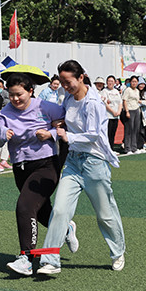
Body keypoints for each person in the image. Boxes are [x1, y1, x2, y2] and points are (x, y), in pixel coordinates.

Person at [37, 60, 125, 275]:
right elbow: (65, 117)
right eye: (62, 82)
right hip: (73, 161)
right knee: (59, 210)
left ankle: (118, 252)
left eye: (68, 82)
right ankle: (50, 259)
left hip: (95, 163)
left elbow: (93, 134)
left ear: (81, 77)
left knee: (105, 214)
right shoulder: (68, 98)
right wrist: (58, 124)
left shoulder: (93, 102)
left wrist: (68, 136)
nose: (65, 86)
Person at [0, 72, 69, 276]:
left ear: (30, 91)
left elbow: (67, 124)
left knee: (24, 207)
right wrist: (2, 135)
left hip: (46, 165)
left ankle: (26, 258)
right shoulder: (5, 113)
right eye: (11, 95)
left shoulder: (46, 107)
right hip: (20, 167)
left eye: (19, 94)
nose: (15, 99)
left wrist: (50, 133)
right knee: (41, 211)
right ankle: (66, 229)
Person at [121, 75, 141, 154]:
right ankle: (127, 148)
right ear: (130, 82)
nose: (134, 83)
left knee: (135, 129)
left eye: (135, 82)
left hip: (136, 110)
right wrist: (127, 111)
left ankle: (134, 147)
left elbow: (137, 100)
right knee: (129, 130)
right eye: (133, 81)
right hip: (129, 110)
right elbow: (124, 101)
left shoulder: (137, 91)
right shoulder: (127, 90)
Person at [102, 75, 122, 151]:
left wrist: (119, 111)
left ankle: (111, 149)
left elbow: (120, 102)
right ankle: (106, 150)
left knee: (113, 133)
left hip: (116, 116)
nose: (110, 83)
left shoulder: (116, 91)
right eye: (109, 81)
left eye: (112, 81)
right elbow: (105, 103)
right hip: (108, 116)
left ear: (114, 82)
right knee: (108, 133)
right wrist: (113, 112)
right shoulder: (105, 91)